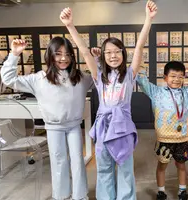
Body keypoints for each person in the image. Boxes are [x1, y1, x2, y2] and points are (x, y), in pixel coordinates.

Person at [59, 1, 157, 199]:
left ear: (123, 54)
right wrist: (70, 25)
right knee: (103, 169)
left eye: (117, 51)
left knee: (125, 169)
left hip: (123, 128)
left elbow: (139, 47)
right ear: (103, 55)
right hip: (103, 127)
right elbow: (85, 52)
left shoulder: (129, 75)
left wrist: (148, 20)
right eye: (108, 52)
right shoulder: (99, 76)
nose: (113, 56)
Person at [1, 37, 93, 200]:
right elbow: (9, 79)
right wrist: (14, 54)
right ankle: (61, 195)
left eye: (67, 54)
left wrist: (97, 60)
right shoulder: (39, 79)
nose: (63, 58)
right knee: (58, 161)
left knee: (77, 161)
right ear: (50, 55)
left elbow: (99, 78)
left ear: (72, 56)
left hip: (73, 126)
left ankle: (80, 196)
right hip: (53, 127)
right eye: (58, 54)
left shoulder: (80, 77)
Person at [136, 52, 188, 200]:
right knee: (162, 166)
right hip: (164, 139)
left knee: (181, 165)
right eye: (173, 76)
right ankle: (161, 191)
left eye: (181, 76)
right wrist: (141, 63)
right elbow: (141, 80)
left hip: (182, 138)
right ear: (165, 77)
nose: (177, 79)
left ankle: (182, 190)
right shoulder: (156, 92)